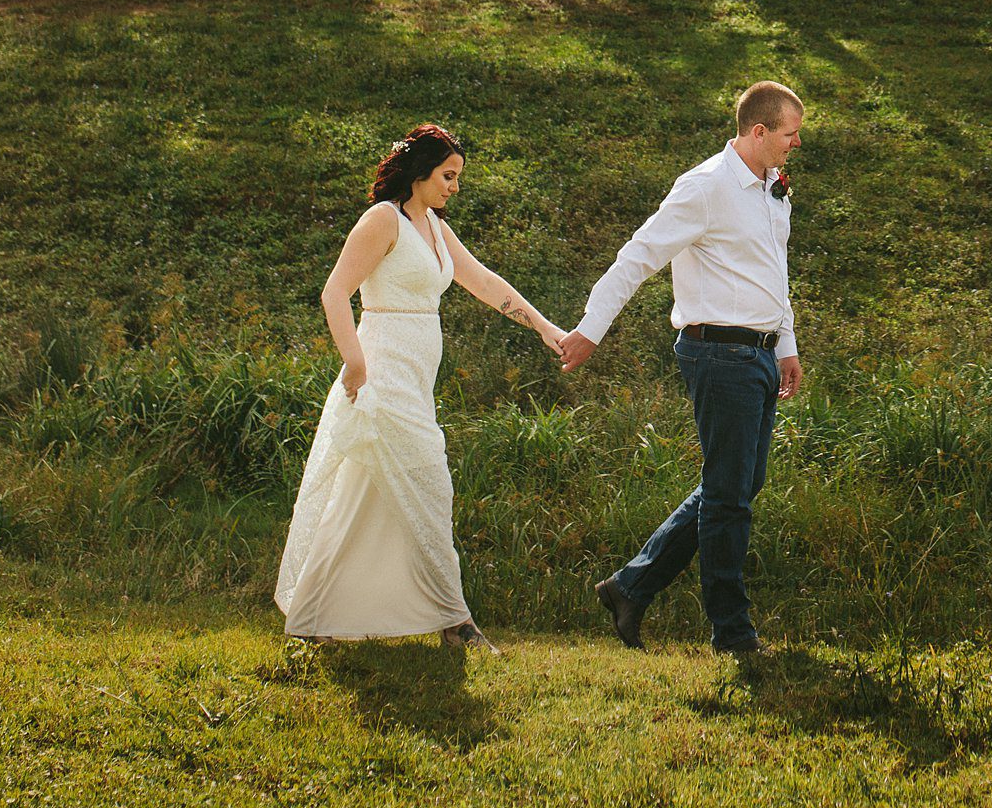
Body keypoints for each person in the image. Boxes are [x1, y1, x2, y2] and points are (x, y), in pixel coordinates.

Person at [275, 123, 565, 646]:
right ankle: (457, 623)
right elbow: (335, 292)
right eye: (448, 176)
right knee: (432, 487)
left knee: (360, 497)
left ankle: (312, 621)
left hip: (416, 380)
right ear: (420, 172)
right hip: (381, 377)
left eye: (457, 177)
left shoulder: (432, 226)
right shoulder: (382, 220)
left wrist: (545, 328)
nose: (455, 186)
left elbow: (481, 280)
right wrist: (355, 362)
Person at [559, 81, 805, 655]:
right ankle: (732, 632)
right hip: (718, 352)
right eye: (790, 134)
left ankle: (630, 586)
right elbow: (638, 255)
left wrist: (786, 344)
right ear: (759, 131)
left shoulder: (773, 189)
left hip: (760, 352)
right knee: (729, 498)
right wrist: (591, 329)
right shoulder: (704, 187)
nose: (796, 143)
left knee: (736, 486)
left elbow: (775, 269)